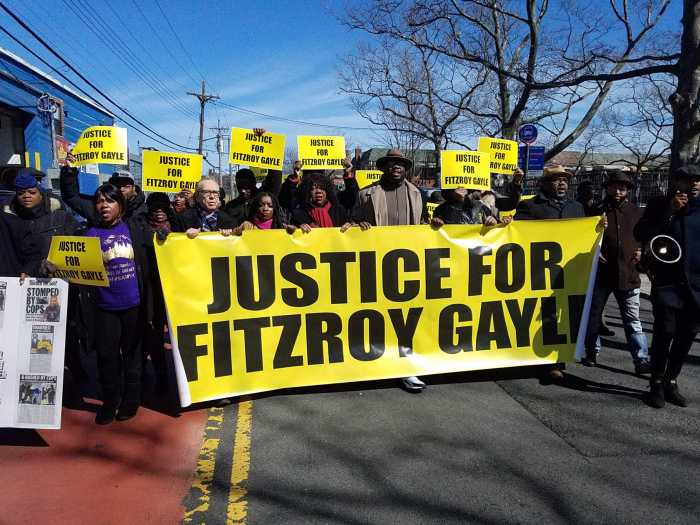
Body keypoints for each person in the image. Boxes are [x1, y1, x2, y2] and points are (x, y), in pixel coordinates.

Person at [352, 148, 426, 392]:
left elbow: (423, 224)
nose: (396, 166)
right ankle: (377, 363)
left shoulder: (416, 193)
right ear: (383, 167)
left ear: (406, 169)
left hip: (408, 266)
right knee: (378, 316)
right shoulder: (366, 194)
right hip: (376, 265)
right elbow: (350, 225)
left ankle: (407, 368)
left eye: (401, 163)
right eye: (392, 163)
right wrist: (358, 225)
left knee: (407, 318)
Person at [84, 183, 152, 424]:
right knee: (107, 356)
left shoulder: (135, 228)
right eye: (99, 201)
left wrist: (172, 236)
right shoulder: (89, 234)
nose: (104, 205)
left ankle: (131, 400)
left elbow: (159, 243)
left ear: (121, 206)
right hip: (104, 307)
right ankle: (110, 401)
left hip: (134, 305)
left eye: (110, 201)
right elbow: (71, 263)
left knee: (133, 355)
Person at [634, 164, 700, 408]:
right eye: (689, 179)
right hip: (667, 283)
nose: (694, 184)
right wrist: (669, 212)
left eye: (698, 180)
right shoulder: (660, 204)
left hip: (696, 285)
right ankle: (656, 382)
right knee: (665, 332)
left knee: (687, 334)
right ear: (677, 182)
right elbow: (641, 232)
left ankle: (671, 380)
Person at [514, 165, 587, 381]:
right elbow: (517, 236)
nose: (562, 183)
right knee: (542, 315)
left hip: (568, 271)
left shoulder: (577, 208)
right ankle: (543, 361)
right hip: (540, 271)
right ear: (544, 184)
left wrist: (599, 227)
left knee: (565, 315)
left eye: (565, 179)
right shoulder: (530, 206)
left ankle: (557, 360)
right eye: (556, 179)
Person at [581, 171, 649, 374]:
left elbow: (646, 237)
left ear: (627, 191)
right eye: (614, 187)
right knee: (593, 316)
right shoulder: (596, 211)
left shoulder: (637, 212)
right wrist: (594, 246)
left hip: (629, 274)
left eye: (622, 188)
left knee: (632, 320)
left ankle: (641, 358)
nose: (618, 191)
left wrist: (642, 251)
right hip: (601, 275)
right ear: (608, 188)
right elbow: (582, 237)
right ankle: (592, 351)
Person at [11, 169, 79, 275]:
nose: (26, 196)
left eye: (32, 192)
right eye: (20, 193)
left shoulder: (60, 216)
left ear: (41, 193)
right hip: (26, 280)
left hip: (61, 279)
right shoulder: (11, 220)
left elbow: (79, 243)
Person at [60, 166, 146, 224]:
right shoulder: (97, 207)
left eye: (126, 186)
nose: (121, 189)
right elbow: (71, 197)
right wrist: (69, 172)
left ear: (134, 188)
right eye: (117, 186)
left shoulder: (145, 211)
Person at [171, 177, 237, 237]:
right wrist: (184, 236)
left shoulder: (229, 221)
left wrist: (231, 236)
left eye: (215, 192)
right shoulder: (181, 219)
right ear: (197, 196)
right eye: (206, 192)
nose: (212, 196)